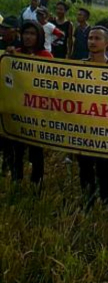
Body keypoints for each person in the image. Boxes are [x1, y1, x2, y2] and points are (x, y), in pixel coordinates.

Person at [6, 21, 53, 186]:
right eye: (26, 33)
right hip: (18, 111)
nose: (28, 37)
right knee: (16, 150)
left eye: (32, 34)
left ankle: (36, 184)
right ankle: (16, 180)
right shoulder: (15, 53)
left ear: (39, 36)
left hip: (37, 114)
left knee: (36, 152)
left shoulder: (46, 56)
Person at [78, 26, 108, 209]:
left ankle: (107, 201)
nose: (92, 42)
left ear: (107, 43)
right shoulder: (78, 67)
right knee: (84, 166)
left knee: (104, 167)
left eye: (97, 38)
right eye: (90, 38)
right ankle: (88, 201)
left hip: (105, 128)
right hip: (83, 127)